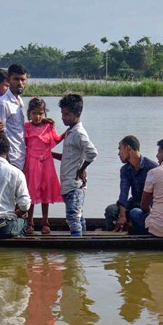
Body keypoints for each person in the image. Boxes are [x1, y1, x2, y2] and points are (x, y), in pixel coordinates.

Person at [53, 94, 97, 237]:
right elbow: (69, 158)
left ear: (77, 115)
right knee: (77, 216)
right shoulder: (70, 132)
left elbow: (92, 152)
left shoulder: (78, 133)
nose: (63, 117)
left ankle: (76, 248)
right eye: (62, 113)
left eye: (66, 114)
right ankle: (82, 242)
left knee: (73, 217)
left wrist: (82, 169)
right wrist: (50, 155)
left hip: (75, 185)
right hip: (68, 184)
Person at [23, 97, 63, 234]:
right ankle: (30, 223)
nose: (37, 116)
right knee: (31, 192)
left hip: (46, 162)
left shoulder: (48, 126)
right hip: (32, 162)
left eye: (40, 113)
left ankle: (45, 222)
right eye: (34, 113)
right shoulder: (26, 127)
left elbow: (56, 140)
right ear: (29, 114)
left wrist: (67, 133)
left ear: (44, 114)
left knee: (46, 191)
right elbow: (23, 145)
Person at [104, 135, 157, 231]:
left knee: (135, 214)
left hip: (149, 207)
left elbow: (157, 196)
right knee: (111, 210)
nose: (118, 154)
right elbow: (123, 194)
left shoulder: (152, 167)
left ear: (128, 148)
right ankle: (112, 238)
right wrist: (122, 215)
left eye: (120, 149)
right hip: (133, 203)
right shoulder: (125, 170)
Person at [0, 63, 28, 169]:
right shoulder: (3, 103)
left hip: (21, 155)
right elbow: (0, 134)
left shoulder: (20, 102)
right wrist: (6, 159)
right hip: (10, 159)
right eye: (16, 79)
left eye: (23, 80)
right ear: (8, 79)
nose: (20, 83)